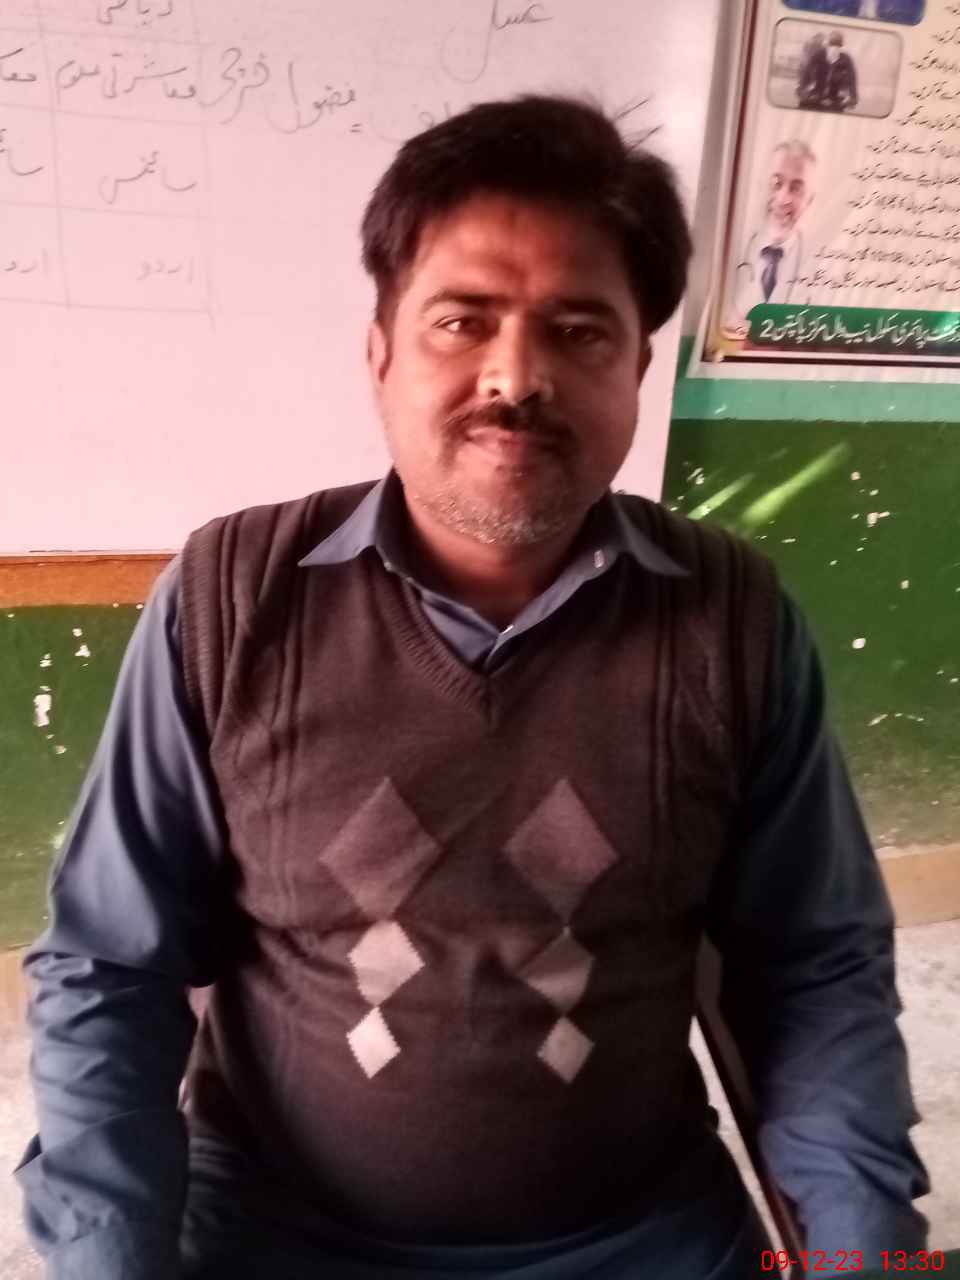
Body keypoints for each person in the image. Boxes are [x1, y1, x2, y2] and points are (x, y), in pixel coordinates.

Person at [17, 95, 929, 1280]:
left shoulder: (732, 618)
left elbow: (815, 967)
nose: (517, 376)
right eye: (463, 321)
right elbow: (109, 964)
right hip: (280, 1232)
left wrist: (871, 1256)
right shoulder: (231, 597)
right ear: (381, 354)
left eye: (579, 331)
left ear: (638, 369)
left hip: (637, 1235)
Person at [724, 139, 817, 337]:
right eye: (776, 183)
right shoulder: (731, 248)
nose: (782, 198)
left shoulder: (820, 268)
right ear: (761, 185)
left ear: (809, 200)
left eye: (796, 189)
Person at [822, 31, 859, 112]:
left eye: (836, 46)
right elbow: (852, 78)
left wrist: (853, 97)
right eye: (832, 45)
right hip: (826, 96)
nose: (834, 49)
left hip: (835, 97)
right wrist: (853, 97)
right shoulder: (821, 56)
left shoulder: (845, 58)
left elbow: (851, 78)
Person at [796, 32, 828, 109]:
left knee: (808, 93)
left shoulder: (821, 48)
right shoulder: (812, 46)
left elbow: (803, 60)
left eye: (822, 39)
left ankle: (806, 102)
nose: (822, 40)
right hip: (810, 72)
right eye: (821, 39)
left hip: (811, 73)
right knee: (808, 92)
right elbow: (804, 59)